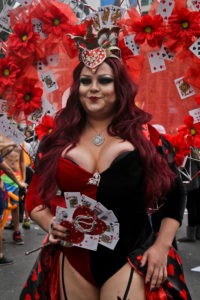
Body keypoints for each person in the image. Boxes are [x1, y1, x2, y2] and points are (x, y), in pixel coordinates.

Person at [19, 55, 191, 300]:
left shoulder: (147, 141)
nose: (94, 89)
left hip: (130, 257)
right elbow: (34, 198)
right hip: (73, 259)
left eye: (105, 80)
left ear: (119, 87)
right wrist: (49, 224)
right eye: (86, 81)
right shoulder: (56, 141)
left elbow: (176, 194)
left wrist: (161, 247)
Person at [0, 154, 27, 264]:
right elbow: (5, 167)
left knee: (15, 206)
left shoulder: (19, 143)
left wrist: (23, 178)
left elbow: (22, 162)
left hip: (14, 178)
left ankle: (16, 232)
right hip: (7, 179)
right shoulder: (1, 142)